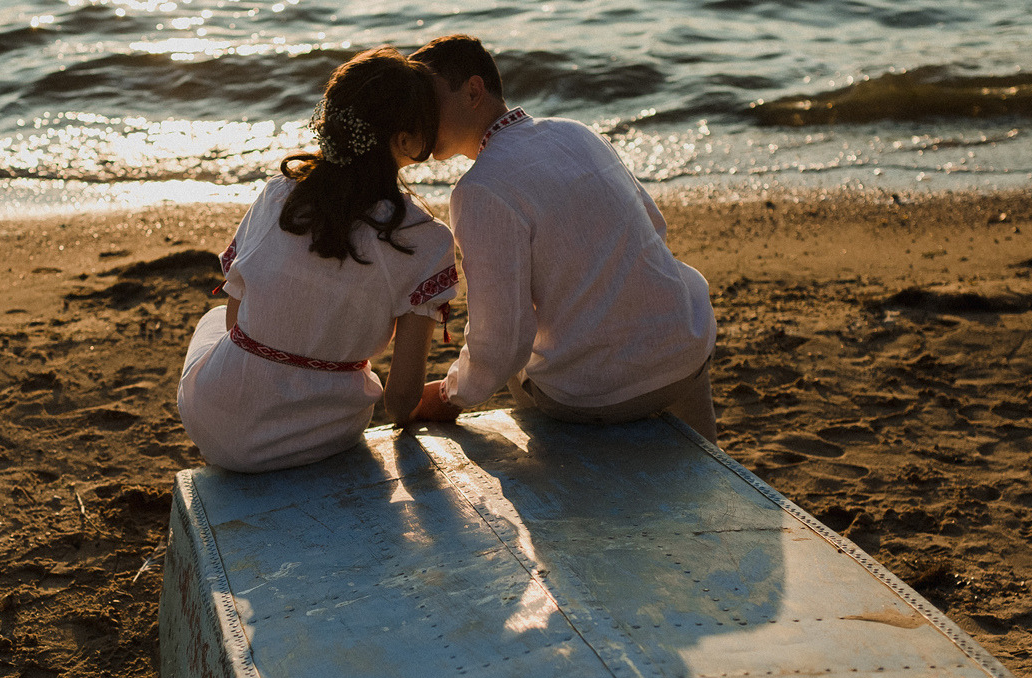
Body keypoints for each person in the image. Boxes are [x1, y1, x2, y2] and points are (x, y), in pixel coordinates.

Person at [407, 35, 718, 440]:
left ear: (473, 90)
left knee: (521, 368)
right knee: (704, 460)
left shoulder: (479, 189)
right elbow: (653, 227)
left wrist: (450, 395)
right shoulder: (577, 132)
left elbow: (501, 344)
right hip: (687, 346)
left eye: (430, 104)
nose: (421, 122)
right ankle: (707, 456)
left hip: (597, 395)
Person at [176, 47, 459, 472]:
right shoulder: (426, 240)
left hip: (217, 427)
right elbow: (400, 403)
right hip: (327, 436)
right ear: (403, 140)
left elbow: (236, 322)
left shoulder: (279, 195)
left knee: (215, 320)